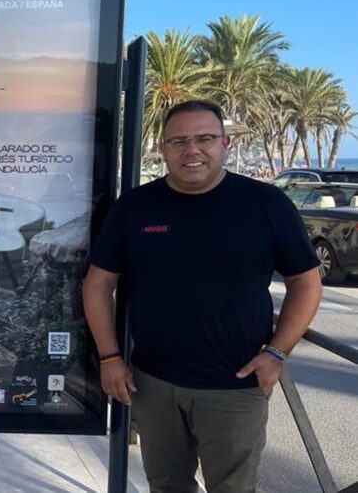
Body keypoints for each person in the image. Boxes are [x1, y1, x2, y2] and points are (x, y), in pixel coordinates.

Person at [83, 99, 322, 493]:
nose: (191, 150)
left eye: (204, 138)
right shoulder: (136, 207)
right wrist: (109, 357)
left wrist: (277, 352)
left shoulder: (266, 204)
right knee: (166, 486)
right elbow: (97, 282)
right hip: (153, 383)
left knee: (232, 488)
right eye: (178, 141)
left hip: (235, 387)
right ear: (162, 149)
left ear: (225, 143)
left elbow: (307, 282)